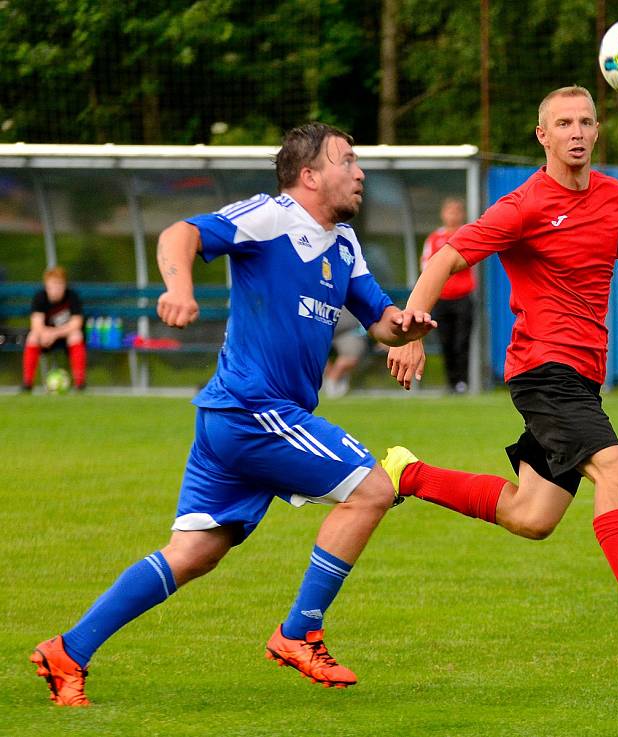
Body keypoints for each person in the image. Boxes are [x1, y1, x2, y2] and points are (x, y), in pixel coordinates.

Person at [30, 122, 435, 706]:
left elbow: (379, 318)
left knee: (192, 553)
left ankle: (69, 650)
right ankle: (300, 632)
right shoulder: (272, 216)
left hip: (239, 417)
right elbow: (179, 233)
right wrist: (180, 287)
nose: (360, 171)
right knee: (371, 488)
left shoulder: (344, 245)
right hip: (254, 410)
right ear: (311, 174)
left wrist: (407, 328)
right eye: (347, 160)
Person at [383, 86, 618, 652]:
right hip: (544, 369)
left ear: (597, 131)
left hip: (581, 375)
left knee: (533, 515)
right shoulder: (523, 205)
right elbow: (447, 256)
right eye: (563, 123)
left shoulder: (615, 197)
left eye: (586, 122)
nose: (576, 132)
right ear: (542, 135)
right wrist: (413, 330)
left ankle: (407, 474)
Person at [420, 197, 476, 393]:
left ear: (462, 214)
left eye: (457, 211)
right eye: (449, 211)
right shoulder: (434, 239)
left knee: (462, 341)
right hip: (441, 299)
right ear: (443, 214)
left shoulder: (468, 234)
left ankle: (463, 381)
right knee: (445, 341)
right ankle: (451, 382)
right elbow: (426, 266)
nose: (453, 215)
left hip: (463, 297)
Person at [21, 265, 86, 392]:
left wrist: (55, 333)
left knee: (76, 335)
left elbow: (76, 323)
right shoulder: (40, 297)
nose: (56, 288)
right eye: (52, 285)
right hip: (45, 337)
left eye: (59, 284)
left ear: (64, 285)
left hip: (64, 336)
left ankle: (80, 383)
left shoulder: (72, 296)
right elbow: (36, 323)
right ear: (46, 285)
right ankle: (27, 383)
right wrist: (45, 334)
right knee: (33, 337)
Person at [322, 307, 369, 398]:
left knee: (351, 357)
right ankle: (332, 380)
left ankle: (332, 381)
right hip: (320, 329)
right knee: (311, 354)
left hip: (348, 331)